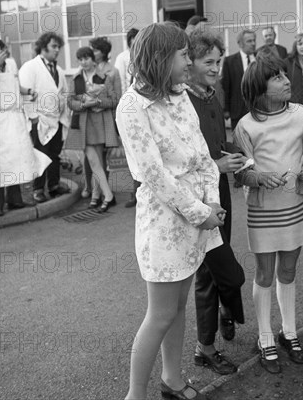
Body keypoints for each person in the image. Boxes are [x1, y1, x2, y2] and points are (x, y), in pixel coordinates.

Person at [116, 22, 224, 400]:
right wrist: (200, 211)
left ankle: (172, 380)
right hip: (164, 222)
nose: (189, 61)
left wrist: (212, 199)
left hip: (196, 216)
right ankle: (134, 395)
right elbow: (154, 176)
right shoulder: (131, 106)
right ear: (162, 58)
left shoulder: (178, 94)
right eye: (183, 54)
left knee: (178, 306)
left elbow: (203, 155)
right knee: (160, 313)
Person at [233, 51, 303, 374]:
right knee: (264, 274)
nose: (287, 81)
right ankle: (265, 337)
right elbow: (240, 172)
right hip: (263, 211)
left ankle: (289, 332)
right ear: (259, 88)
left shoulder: (302, 114)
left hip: (294, 206)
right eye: (277, 78)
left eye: (285, 75)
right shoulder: (245, 126)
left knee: (288, 271)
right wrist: (258, 177)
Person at [185, 29, 246, 376]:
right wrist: (218, 164)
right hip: (198, 199)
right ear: (189, 62)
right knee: (212, 272)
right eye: (208, 62)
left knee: (222, 263)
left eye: (218, 61)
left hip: (220, 191)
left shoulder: (213, 92)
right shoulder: (181, 100)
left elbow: (214, 141)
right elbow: (181, 163)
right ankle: (204, 349)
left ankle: (224, 315)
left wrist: (232, 155)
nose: (215, 68)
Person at [19, 32, 72, 203]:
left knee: (55, 154)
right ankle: (38, 189)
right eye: (53, 47)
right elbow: (25, 94)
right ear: (43, 48)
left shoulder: (59, 71)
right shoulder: (30, 67)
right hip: (39, 119)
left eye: (58, 47)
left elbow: (63, 94)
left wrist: (64, 116)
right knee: (40, 154)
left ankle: (54, 186)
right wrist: (33, 118)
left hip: (56, 119)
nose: (57, 50)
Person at [0, 42, 50, 216]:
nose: (3, 53)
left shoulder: (11, 64)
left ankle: (15, 200)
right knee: (0, 162)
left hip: (14, 118)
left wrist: (27, 91)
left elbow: (15, 85)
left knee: (16, 158)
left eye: (3, 50)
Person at [65, 47, 119, 212]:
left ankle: (96, 195)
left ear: (92, 59)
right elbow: (70, 101)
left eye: (86, 58)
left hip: (99, 122)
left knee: (98, 162)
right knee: (93, 160)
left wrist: (98, 102)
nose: (83, 62)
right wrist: (83, 104)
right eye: (80, 59)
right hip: (83, 123)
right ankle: (109, 196)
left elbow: (114, 100)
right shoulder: (75, 79)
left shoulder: (105, 77)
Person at [83, 36, 122, 201]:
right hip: (88, 119)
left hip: (106, 118)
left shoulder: (113, 72)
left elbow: (117, 98)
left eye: (96, 49)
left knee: (102, 156)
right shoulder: (85, 71)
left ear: (104, 52)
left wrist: (100, 103)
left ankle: (101, 192)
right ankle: (90, 187)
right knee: (89, 156)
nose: (93, 52)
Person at [114, 27, 141, 208]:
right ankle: (133, 194)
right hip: (128, 108)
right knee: (131, 155)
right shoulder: (122, 58)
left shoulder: (144, 56)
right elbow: (122, 82)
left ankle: (142, 192)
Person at [221, 29, 256, 130]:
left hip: (258, 110)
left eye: (254, 40)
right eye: (249, 41)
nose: (253, 43)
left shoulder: (260, 59)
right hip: (237, 111)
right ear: (240, 43)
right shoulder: (229, 61)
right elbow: (226, 87)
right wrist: (226, 109)